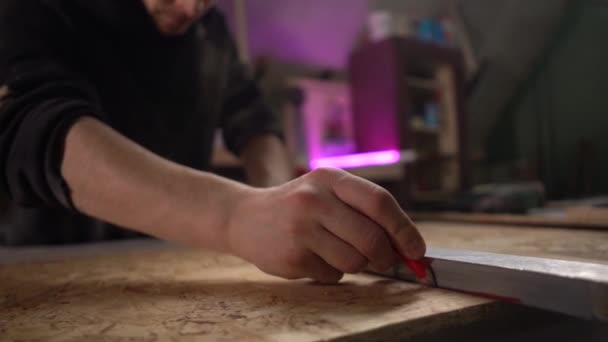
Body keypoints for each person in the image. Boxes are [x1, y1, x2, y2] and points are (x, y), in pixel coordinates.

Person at [0, 0, 426, 283]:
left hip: (171, 264)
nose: (189, 8)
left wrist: (275, 198)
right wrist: (237, 216)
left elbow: (255, 121)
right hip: (44, 268)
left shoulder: (211, 30)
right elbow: (33, 126)